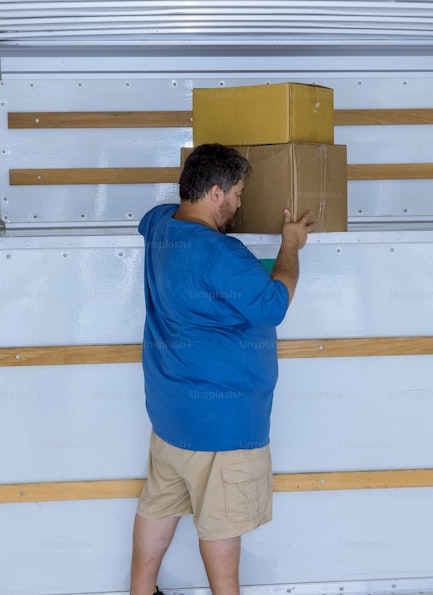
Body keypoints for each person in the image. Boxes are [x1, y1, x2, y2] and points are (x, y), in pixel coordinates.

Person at [130, 143, 314, 595]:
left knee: (158, 507)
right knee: (220, 530)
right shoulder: (221, 254)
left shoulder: (159, 226)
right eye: (238, 194)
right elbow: (273, 305)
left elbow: (164, 220)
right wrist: (291, 244)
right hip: (225, 429)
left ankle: (140, 590)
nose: (240, 204)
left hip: (171, 418)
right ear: (216, 193)